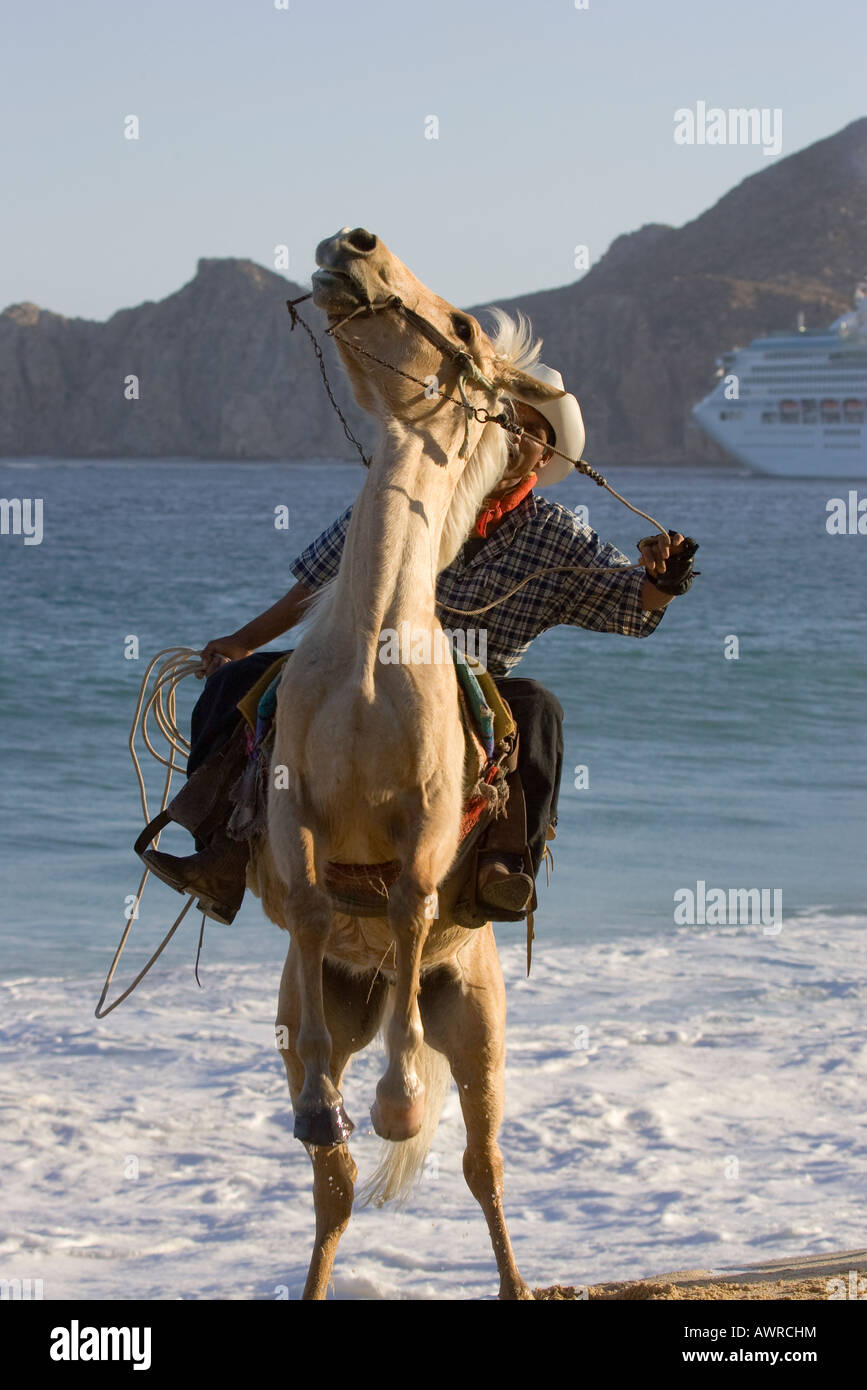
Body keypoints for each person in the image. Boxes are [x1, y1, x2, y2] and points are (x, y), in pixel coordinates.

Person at [138, 361, 697, 925]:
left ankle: (501, 867)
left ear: (546, 456)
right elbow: (316, 582)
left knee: (539, 711)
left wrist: (662, 579)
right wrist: (243, 639)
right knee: (238, 684)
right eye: (501, 419)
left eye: (529, 430)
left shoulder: (557, 533)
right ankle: (218, 851)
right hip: (367, 660)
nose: (510, 436)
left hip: (474, 678)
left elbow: (632, 603)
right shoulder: (403, 497)